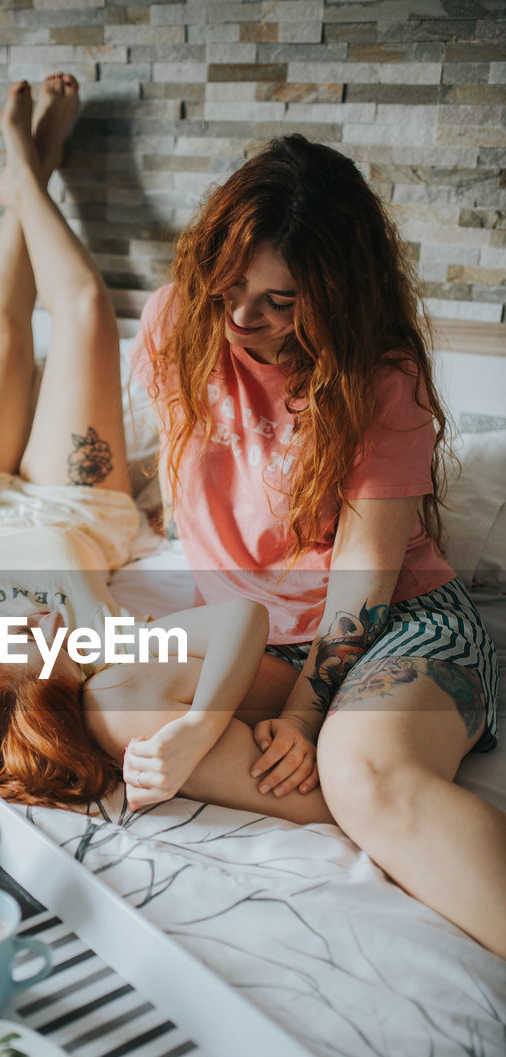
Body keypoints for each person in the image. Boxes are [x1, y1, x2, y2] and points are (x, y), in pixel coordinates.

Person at [0, 76, 336, 828]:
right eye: (51, 654)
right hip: (71, 502)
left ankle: (26, 177)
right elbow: (237, 622)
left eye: (18, 643)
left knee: (2, 339)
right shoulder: (103, 649)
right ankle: (27, 159)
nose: (39, 625)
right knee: (81, 313)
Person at [130, 134, 505, 958]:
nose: (241, 318)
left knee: (364, 775)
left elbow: (361, 582)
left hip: (394, 622)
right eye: (228, 285)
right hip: (264, 636)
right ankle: (360, 781)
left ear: (337, 292)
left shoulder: (379, 379)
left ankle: (369, 775)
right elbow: (191, 492)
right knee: (119, 704)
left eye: (281, 299)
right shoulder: (176, 324)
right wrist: (213, 696)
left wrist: (305, 715)